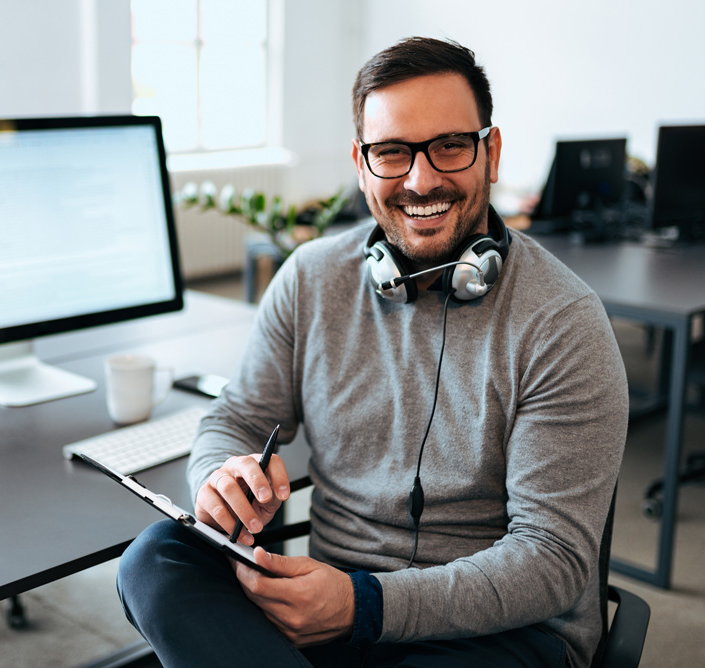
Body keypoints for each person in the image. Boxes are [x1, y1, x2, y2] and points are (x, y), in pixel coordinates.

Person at [117, 36, 628, 668]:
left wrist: (365, 606)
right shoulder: (311, 278)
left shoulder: (562, 323)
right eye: (391, 153)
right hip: (323, 600)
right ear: (361, 165)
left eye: (449, 146)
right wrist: (220, 476)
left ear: (490, 152)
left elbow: (550, 560)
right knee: (156, 559)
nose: (421, 179)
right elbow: (236, 419)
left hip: (497, 632)